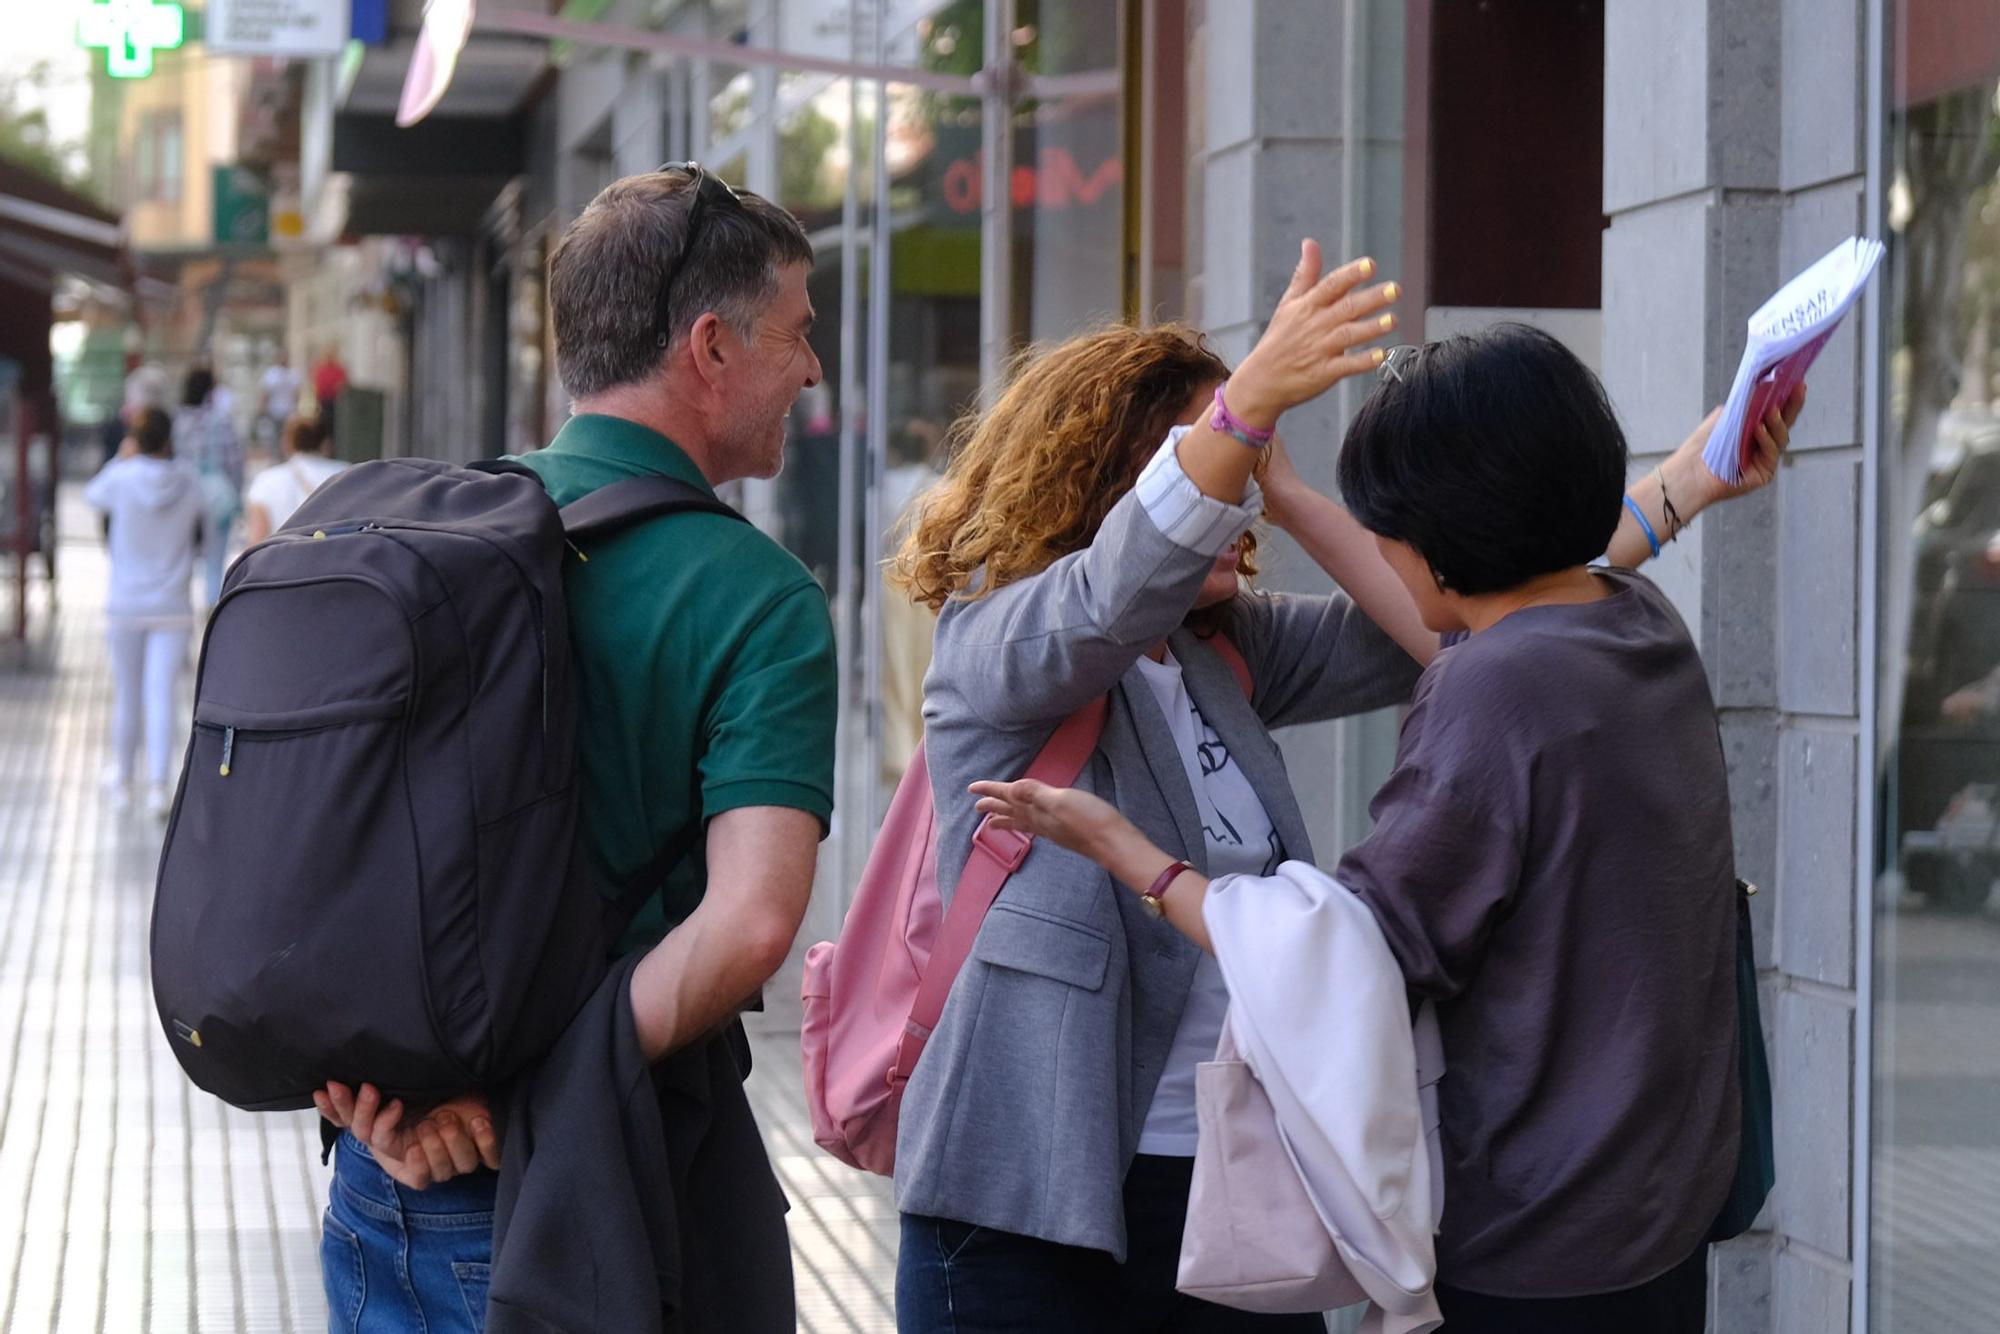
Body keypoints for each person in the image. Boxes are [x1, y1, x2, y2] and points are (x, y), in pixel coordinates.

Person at [886, 241, 1799, 1333]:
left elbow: (1477, 597)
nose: (1234, 507)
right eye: (1196, 469)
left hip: (1234, 1187)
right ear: (1093, 490)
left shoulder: (1225, 650)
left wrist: (1678, 487)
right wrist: (1243, 412)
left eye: (1239, 475)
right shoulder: (997, 651)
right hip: (1031, 1204)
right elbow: (1102, 603)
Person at [311, 163, 835, 1333]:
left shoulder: (420, 533)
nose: (811, 369)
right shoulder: (756, 595)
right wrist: (550, 1085)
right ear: (710, 346)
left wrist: (370, 1083)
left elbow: (312, 836)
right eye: (797, 334)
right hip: (590, 1202)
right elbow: (751, 924)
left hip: (378, 1175)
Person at [84, 407, 207, 819]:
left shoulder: (121, 477)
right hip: (173, 606)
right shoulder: (189, 480)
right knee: (161, 695)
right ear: (169, 440)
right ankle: (158, 785)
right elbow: (205, 524)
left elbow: (91, 495)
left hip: (126, 605)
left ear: (135, 440)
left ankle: (122, 781)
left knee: (128, 695)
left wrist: (122, 458)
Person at [174, 365, 244, 606]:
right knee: (215, 561)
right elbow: (235, 465)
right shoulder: (222, 422)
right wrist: (235, 495)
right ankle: (210, 612)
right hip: (217, 499)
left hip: (182, 497)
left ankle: (181, 607)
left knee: (180, 557)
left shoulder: (177, 422)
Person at [242, 414, 347, 544]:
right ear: (325, 443)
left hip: (281, 559)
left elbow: (256, 538)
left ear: (287, 444)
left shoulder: (267, 480)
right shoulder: (345, 473)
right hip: (333, 558)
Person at [258, 348, 301, 449]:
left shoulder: (293, 374)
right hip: (275, 410)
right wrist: (262, 408)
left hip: (289, 410)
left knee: (287, 436)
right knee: (275, 436)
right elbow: (265, 393)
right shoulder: (271, 374)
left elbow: (296, 394)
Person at [312, 345, 350, 435]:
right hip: (324, 401)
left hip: (336, 401)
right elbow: (317, 385)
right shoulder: (320, 369)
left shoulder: (339, 369)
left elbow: (344, 384)